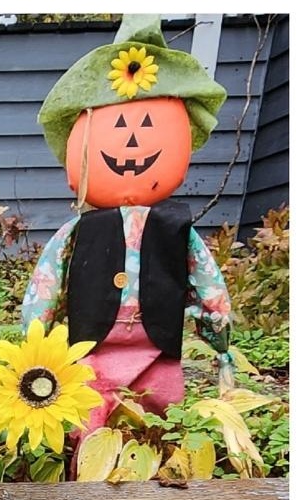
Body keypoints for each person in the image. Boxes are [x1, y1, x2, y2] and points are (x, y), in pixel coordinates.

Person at [22, 14, 235, 435]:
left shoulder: (176, 229)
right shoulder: (77, 232)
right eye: (118, 126)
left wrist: (219, 337)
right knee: (88, 417)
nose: (132, 142)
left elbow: (209, 288)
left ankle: (156, 478)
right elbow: (46, 286)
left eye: (147, 127)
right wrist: (35, 342)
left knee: (161, 418)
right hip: (90, 352)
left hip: (159, 353)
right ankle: (89, 490)